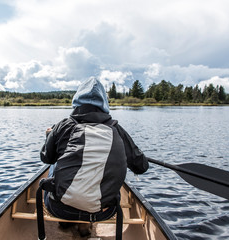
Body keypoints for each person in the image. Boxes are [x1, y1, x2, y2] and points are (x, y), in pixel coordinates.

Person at [40, 77, 149, 237]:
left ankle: (66, 221)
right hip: (103, 211)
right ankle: (86, 224)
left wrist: (49, 137)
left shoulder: (63, 126)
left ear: (76, 101)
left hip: (59, 208)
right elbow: (142, 167)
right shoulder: (117, 130)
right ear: (104, 104)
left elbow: (46, 158)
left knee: (54, 164)